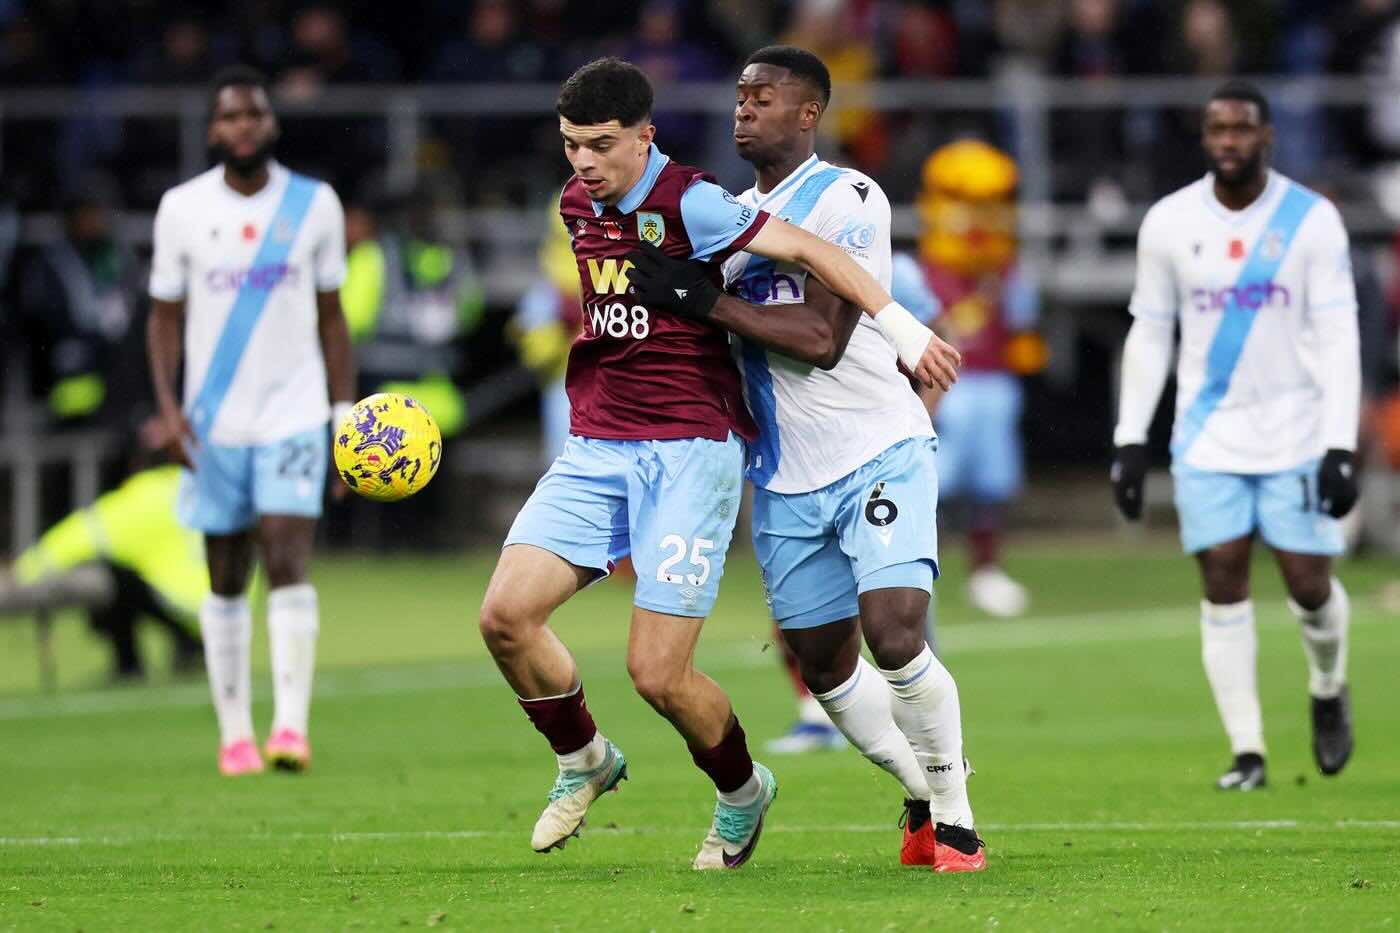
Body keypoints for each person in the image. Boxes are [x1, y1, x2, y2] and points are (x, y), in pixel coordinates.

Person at [478, 57, 958, 871]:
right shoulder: (573, 205)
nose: (584, 164)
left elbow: (811, 252)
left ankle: (742, 791)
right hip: (597, 443)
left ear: (643, 136)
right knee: (504, 618)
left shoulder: (697, 201)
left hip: (690, 449)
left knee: (657, 675)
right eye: (570, 145)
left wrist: (902, 326)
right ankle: (585, 760)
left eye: (599, 145)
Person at [625, 46, 984, 872]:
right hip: (784, 476)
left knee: (894, 634)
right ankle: (925, 785)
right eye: (739, 97)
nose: (743, 110)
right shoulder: (726, 217)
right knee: (824, 665)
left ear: (808, 114)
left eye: (763, 97)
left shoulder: (848, 197)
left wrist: (704, 297)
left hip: (876, 448)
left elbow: (823, 338)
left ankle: (958, 823)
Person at [1112, 81, 1359, 791]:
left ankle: (1326, 683)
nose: (1228, 141)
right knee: (1221, 573)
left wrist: (1340, 442)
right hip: (1207, 432)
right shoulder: (1168, 221)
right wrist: (1131, 437)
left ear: (1267, 136)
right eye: (1216, 129)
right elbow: (1151, 331)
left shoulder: (1311, 221)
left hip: (1298, 428)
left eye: (1241, 129)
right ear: (1204, 137)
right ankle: (1247, 750)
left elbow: (1340, 336)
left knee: (1310, 585)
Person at [146, 66, 354, 777]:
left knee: (287, 556)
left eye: (254, 115)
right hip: (214, 421)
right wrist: (171, 411)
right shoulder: (180, 209)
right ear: (213, 129)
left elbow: (334, 319)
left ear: (271, 124)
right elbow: (163, 319)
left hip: (294, 412)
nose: (242, 126)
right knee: (226, 573)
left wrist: (342, 418)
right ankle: (235, 732)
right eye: (229, 116)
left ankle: (290, 726)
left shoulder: (314, 204)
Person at [915, 140, 1047, 618]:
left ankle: (986, 570)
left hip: (994, 380)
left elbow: (1020, 325)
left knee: (992, 480)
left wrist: (1024, 332)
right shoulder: (922, 271)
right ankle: (911, 568)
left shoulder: (1006, 268)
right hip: (945, 384)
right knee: (930, 480)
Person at [12, 420, 206, 682]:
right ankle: (190, 647)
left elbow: (71, 540)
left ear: (137, 462)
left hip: (180, 604)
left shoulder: (138, 497)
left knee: (108, 573)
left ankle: (128, 662)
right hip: (225, 605)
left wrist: (22, 570)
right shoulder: (203, 493)